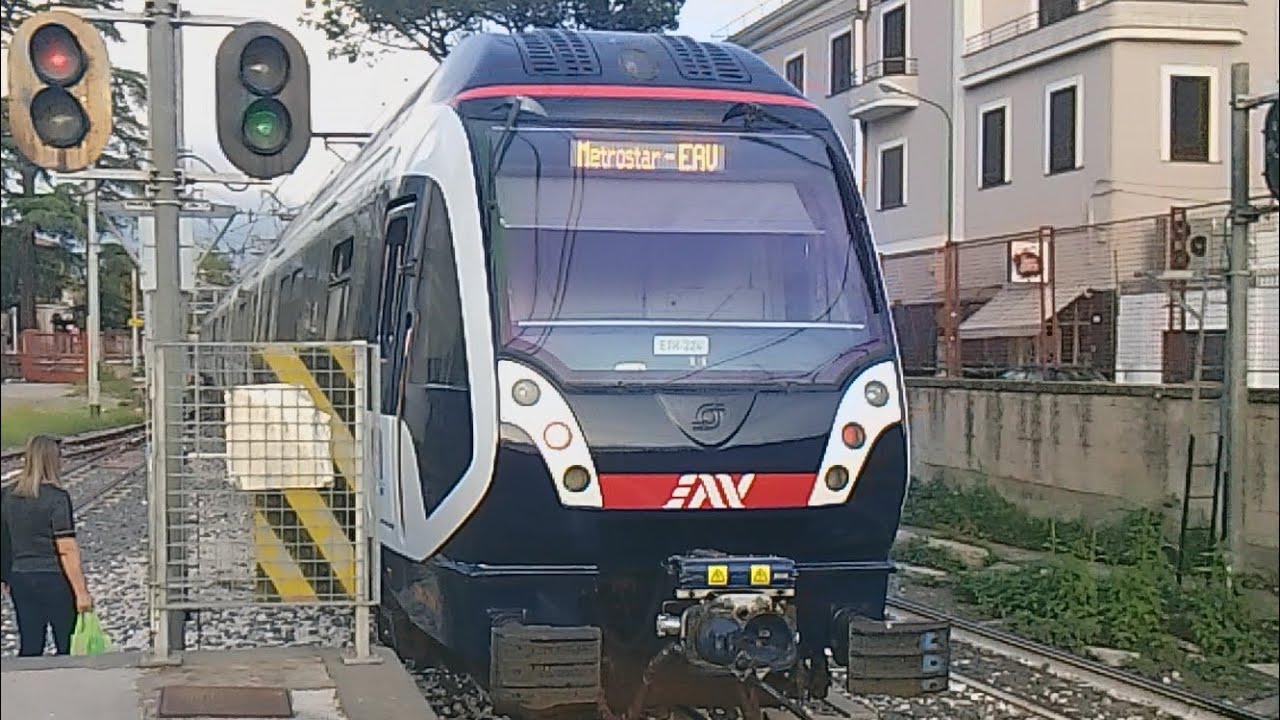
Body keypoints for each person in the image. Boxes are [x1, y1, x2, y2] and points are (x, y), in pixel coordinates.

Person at [0, 435, 94, 656]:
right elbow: (66, 548)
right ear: (53, 460)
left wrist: (4, 576)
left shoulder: (7, 496)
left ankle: (27, 686)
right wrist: (81, 592)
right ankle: (64, 686)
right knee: (66, 643)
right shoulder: (57, 498)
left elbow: (4, 539)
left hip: (20, 578)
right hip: (55, 578)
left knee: (30, 642)